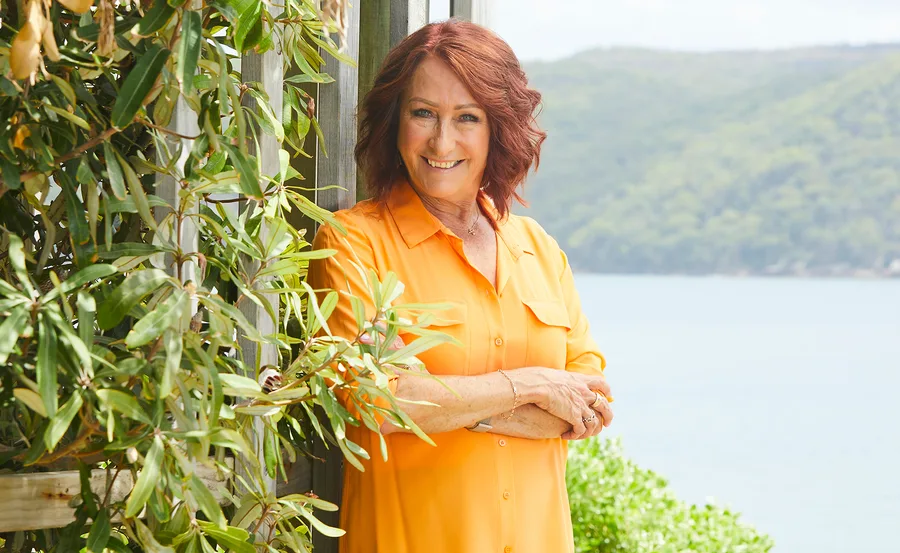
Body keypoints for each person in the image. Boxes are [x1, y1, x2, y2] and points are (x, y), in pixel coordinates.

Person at [307, 19, 613, 553]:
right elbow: (380, 401)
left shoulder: (538, 249)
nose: (441, 141)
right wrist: (532, 386)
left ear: (498, 128)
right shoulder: (352, 244)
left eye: (466, 117)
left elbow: (587, 403)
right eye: (422, 113)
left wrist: (449, 405)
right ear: (393, 122)